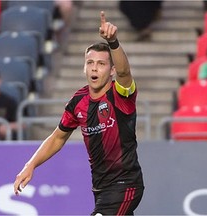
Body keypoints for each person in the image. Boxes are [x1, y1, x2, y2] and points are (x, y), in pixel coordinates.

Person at [14, 11, 144, 215]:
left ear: (111, 70)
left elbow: (125, 73)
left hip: (125, 183)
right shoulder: (78, 102)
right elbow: (58, 137)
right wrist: (30, 166)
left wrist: (113, 42)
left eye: (101, 64)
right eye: (90, 63)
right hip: (100, 188)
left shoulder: (120, 95)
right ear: (84, 68)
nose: (95, 68)